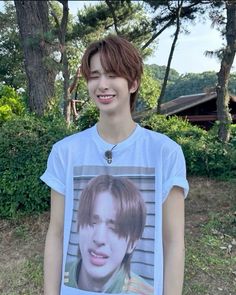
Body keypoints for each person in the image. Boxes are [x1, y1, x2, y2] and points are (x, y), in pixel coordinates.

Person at [41, 35, 189, 295]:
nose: (102, 85)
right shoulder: (65, 152)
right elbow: (57, 233)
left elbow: (173, 241)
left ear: (133, 83)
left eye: (112, 74)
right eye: (94, 75)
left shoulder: (166, 153)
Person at [64, 174, 153, 294]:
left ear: (132, 243)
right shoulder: (58, 277)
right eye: (92, 222)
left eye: (114, 228)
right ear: (79, 225)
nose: (99, 238)